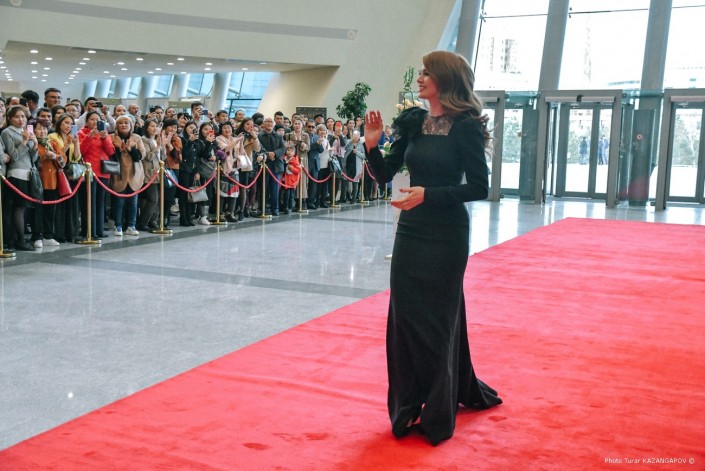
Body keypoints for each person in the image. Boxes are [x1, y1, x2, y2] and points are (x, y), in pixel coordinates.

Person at [363, 50, 502, 446]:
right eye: (421, 72)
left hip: (446, 234)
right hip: (411, 231)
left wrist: (429, 194)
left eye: (427, 72)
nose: (420, 78)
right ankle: (408, 404)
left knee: (439, 321)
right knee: (405, 319)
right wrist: (371, 146)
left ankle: (439, 409)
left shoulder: (465, 127)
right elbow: (383, 175)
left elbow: (479, 187)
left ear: (445, 79)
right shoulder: (412, 122)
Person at [1, 105, 39, 251]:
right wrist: (24, 142)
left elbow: (32, 158)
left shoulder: (25, 132)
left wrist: (34, 144)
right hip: (16, 174)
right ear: (10, 118)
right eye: (17, 117)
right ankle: (20, 239)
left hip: (28, 172)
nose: (21, 119)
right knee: (18, 207)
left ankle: (16, 238)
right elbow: (14, 156)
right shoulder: (7, 132)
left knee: (23, 208)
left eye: (23, 116)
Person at [110, 115, 145, 236]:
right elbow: (109, 155)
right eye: (120, 123)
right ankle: (118, 225)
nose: (123, 125)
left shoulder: (137, 138)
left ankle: (131, 225)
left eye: (126, 123)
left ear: (131, 125)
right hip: (118, 174)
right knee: (119, 202)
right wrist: (118, 150)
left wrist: (131, 149)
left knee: (133, 202)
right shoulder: (111, 138)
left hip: (134, 174)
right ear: (116, 126)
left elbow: (141, 155)